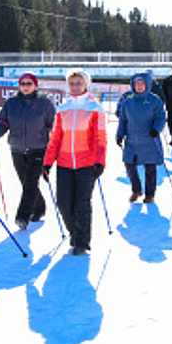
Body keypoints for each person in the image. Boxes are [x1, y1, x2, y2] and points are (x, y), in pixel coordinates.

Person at [42, 69, 107, 256]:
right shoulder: (63, 108)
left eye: (79, 83)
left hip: (87, 163)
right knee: (63, 203)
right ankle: (74, 233)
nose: (75, 87)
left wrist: (99, 161)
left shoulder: (95, 108)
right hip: (64, 163)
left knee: (82, 204)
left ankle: (82, 241)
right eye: (72, 83)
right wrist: (47, 163)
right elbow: (55, 138)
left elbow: (100, 138)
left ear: (86, 85)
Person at [0, 72, 55, 230]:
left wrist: (56, 144)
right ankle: (39, 207)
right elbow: (3, 122)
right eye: (23, 83)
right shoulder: (11, 103)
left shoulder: (45, 103)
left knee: (30, 183)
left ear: (35, 85)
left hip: (38, 148)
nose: (25, 86)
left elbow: (53, 125)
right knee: (25, 182)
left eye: (29, 83)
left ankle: (23, 216)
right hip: (17, 148)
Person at [116, 72, 166, 203]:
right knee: (129, 164)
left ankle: (150, 194)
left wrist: (156, 129)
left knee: (150, 167)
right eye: (137, 84)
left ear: (147, 85)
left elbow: (161, 117)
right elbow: (123, 120)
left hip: (149, 138)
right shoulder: (128, 101)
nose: (139, 86)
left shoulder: (154, 100)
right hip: (132, 139)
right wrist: (120, 135)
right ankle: (136, 190)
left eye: (142, 84)